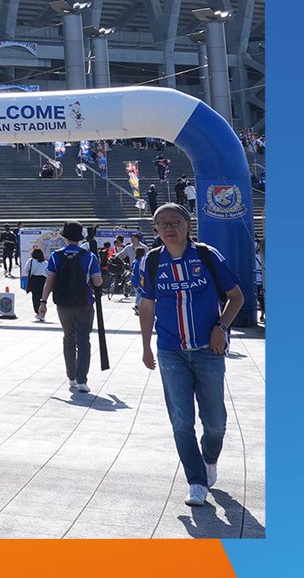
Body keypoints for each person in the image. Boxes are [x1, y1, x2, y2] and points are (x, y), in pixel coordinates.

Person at [140, 202, 244, 507]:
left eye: (175, 222)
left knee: (215, 423)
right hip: (171, 351)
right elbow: (147, 306)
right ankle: (196, 480)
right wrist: (146, 346)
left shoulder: (207, 255)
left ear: (188, 225)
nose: (169, 228)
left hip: (208, 351)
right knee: (181, 421)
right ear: (156, 230)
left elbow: (236, 297)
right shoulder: (151, 262)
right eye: (162, 224)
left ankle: (209, 459)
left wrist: (221, 327)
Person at [39, 221, 103, 393]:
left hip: (63, 305)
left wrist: (43, 302)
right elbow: (98, 281)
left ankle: (71, 378)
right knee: (84, 341)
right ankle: (82, 379)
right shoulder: (89, 257)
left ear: (64, 237)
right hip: (85, 304)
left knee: (68, 338)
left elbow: (49, 281)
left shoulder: (55, 256)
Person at [22, 246, 48, 318]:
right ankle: (42, 312)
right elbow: (47, 273)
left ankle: (37, 311)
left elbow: (26, 269)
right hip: (42, 280)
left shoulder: (30, 261)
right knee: (42, 297)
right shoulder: (45, 263)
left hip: (33, 279)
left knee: (35, 297)